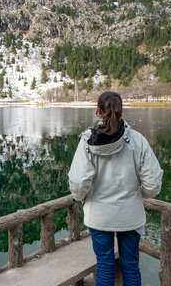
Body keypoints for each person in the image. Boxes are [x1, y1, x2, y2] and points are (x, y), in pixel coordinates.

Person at [68, 91, 163, 286]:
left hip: (99, 215)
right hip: (130, 215)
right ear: (121, 111)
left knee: (104, 265)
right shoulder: (138, 140)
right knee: (131, 267)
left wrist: (82, 197)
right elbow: (153, 183)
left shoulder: (87, 141)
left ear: (98, 111)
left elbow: (78, 183)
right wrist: (139, 195)